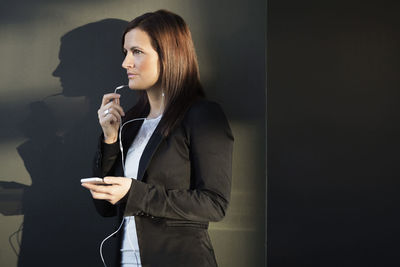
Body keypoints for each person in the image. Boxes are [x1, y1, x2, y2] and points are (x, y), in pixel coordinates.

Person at [81, 9, 233, 267]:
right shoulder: (129, 123)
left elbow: (214, 204)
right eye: (126, 52)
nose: (125, 63)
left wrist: (134, 192)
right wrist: (109, 139)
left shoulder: (202, 115)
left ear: (168, 56)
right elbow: (105, 208)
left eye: (137, 52)